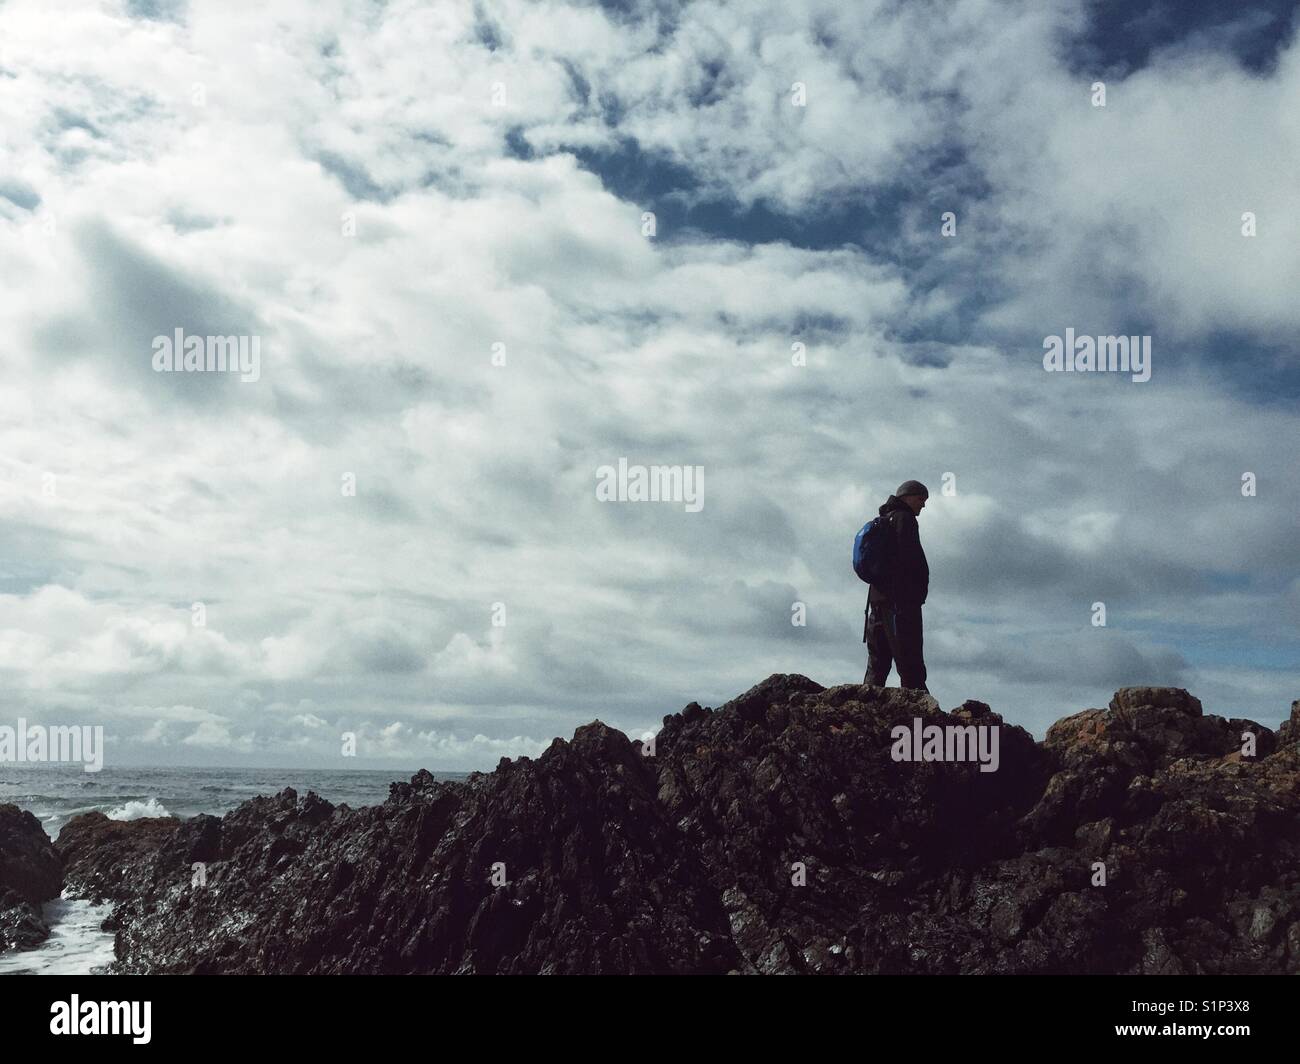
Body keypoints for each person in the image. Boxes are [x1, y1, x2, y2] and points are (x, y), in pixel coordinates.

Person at [863, 480, 930, 693]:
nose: (923, 505)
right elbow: (908, 558)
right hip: (900, 603)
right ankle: (918, 713)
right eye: (921, 499)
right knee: (909, 660)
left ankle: (865, 707)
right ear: (907, 497)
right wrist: (914, 594)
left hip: (877, 600)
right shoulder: (904, 519)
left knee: (878, 661)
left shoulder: (885, 519)